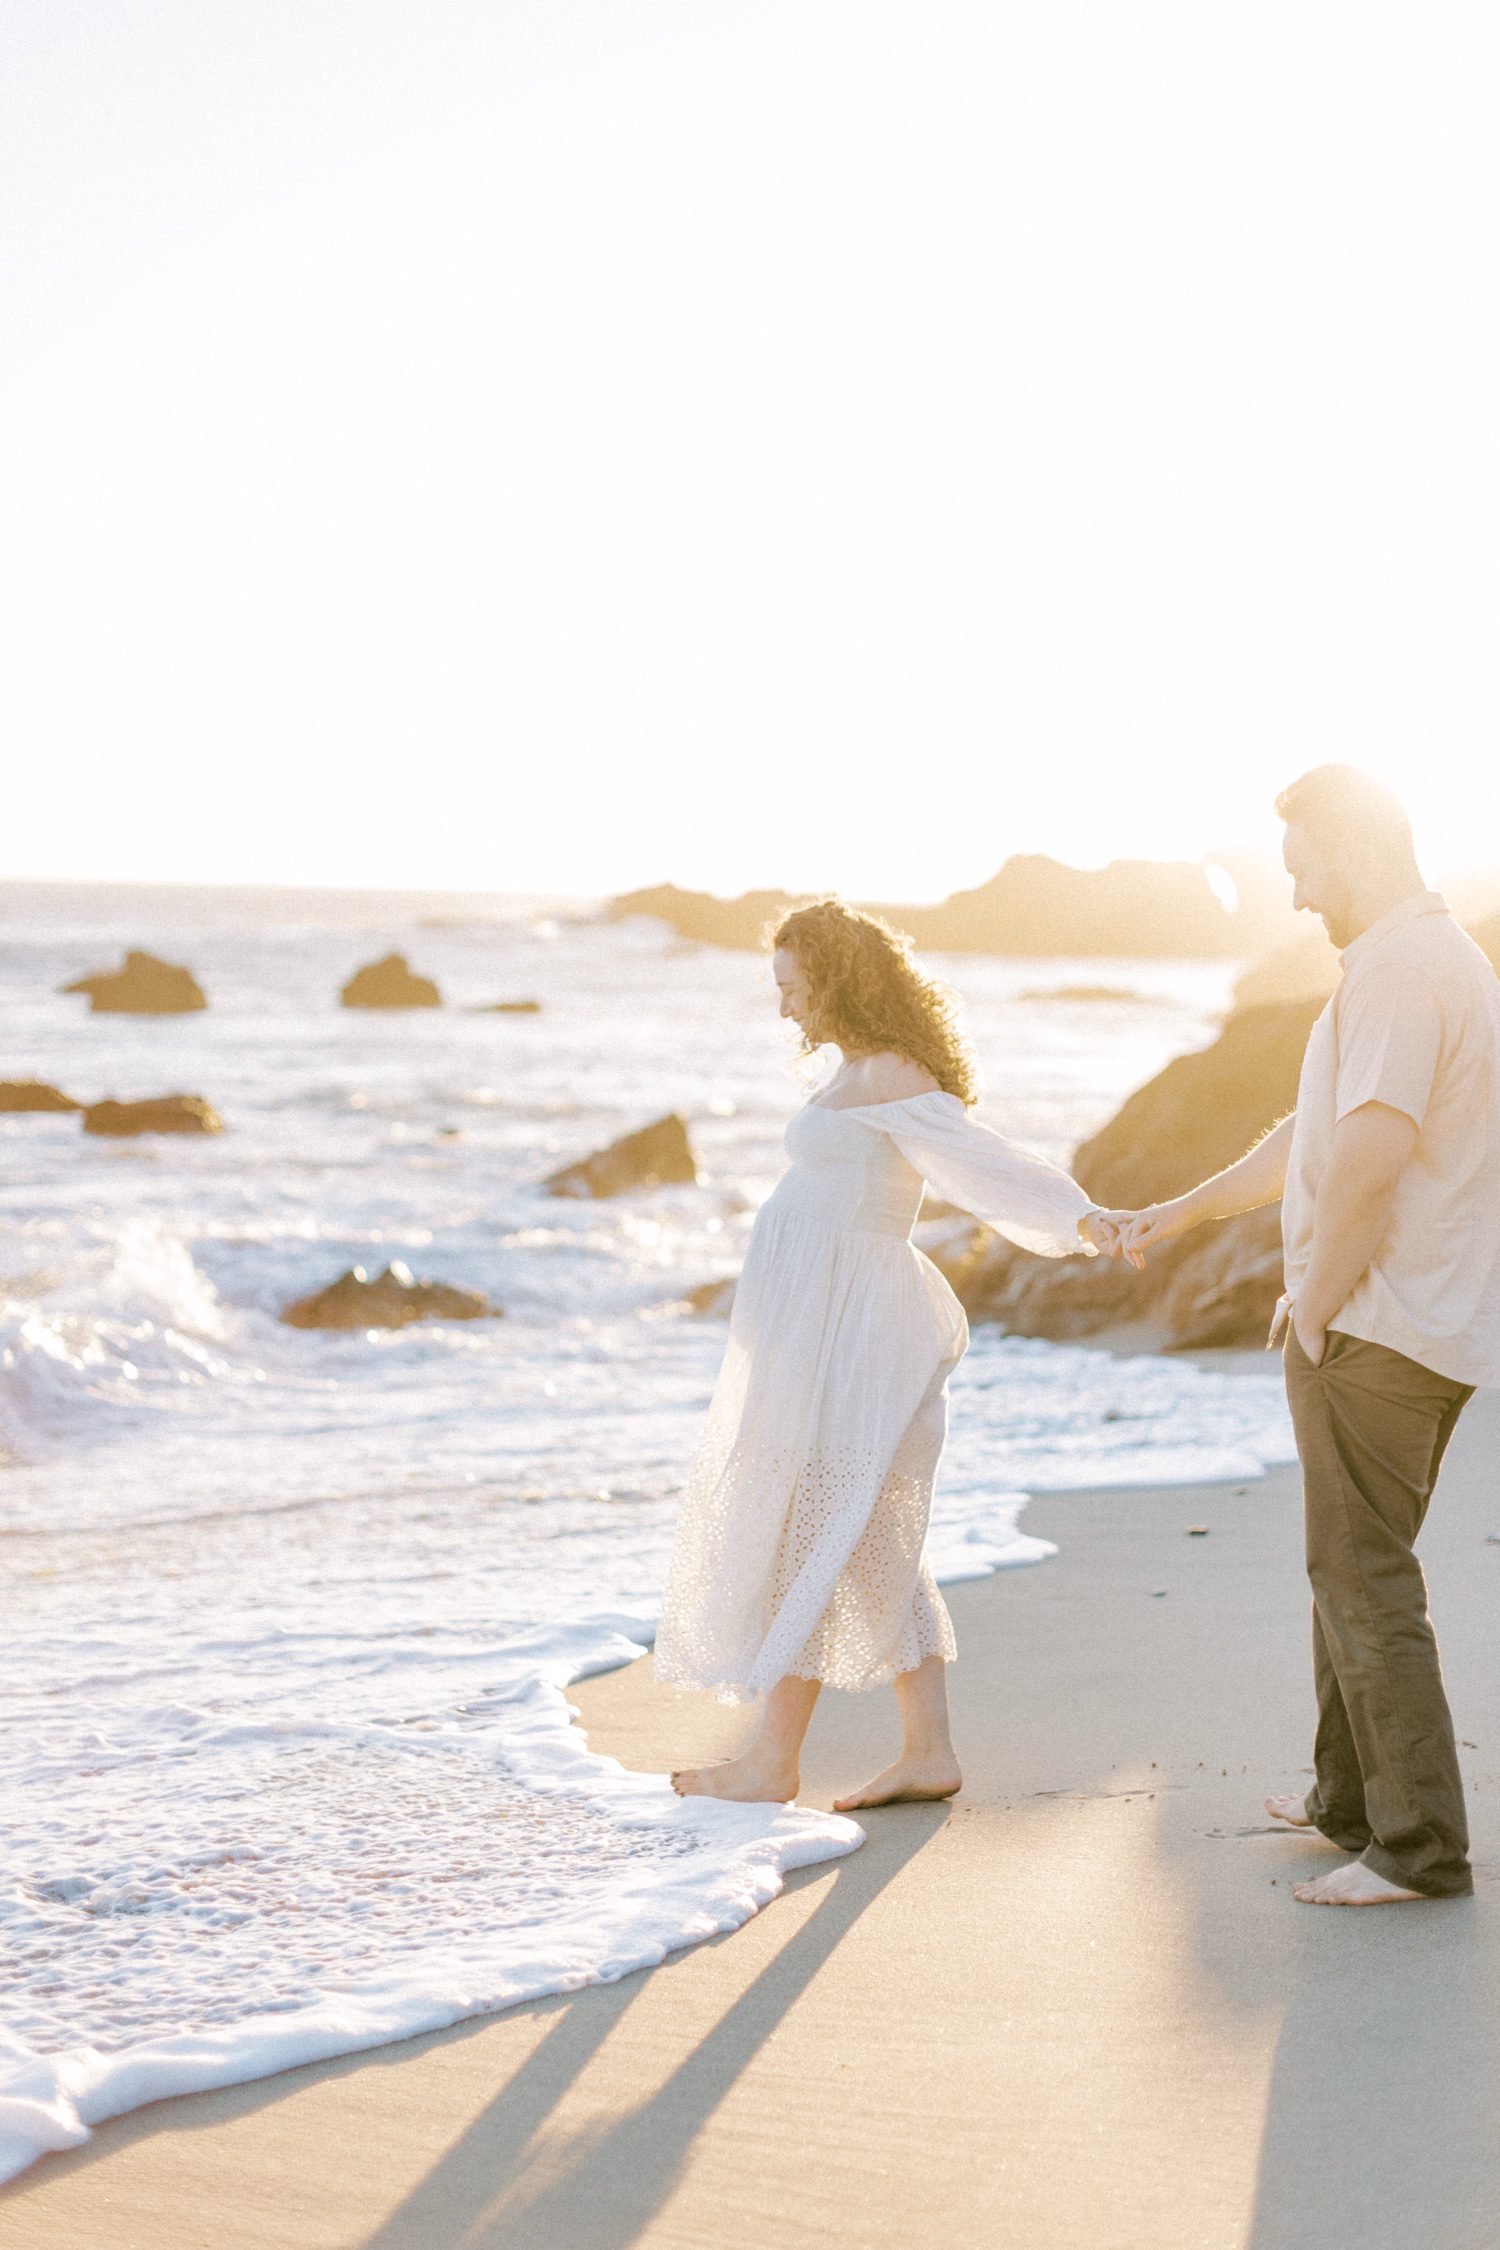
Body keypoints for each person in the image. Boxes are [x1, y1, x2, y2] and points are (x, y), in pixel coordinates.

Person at [1110, 765, 1500, 1905]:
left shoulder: (1403, 973)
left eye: (1303, 868)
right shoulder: (1421, 965)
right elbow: (1313, 1138)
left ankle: (1419, 1845)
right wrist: (1180, 1210)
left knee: (1364, 1578)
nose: (1294, 897)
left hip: (1385, 1324)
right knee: (1347, 1570)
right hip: (1412, 1319)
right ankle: (1350, 1803)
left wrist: (1317, 1301)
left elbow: (1373, 1164)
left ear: (1353, 851)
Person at [654, 898, 1114, 1810]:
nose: (784, 1007)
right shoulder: (857, 1069)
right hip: (819, 1335)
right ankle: (928, 1752)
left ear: (835, 976)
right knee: (864, 1536)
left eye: (791, 986)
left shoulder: (895, 1074)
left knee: (817, 1527)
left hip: (858, 1337)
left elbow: (985, 1163)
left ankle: (770, 1764)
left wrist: (1083, 1220)